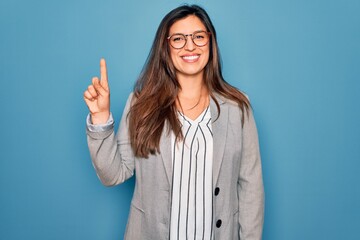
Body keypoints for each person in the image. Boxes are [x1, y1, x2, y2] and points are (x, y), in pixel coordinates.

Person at [84, 4, 264, 240]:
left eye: (199, 36)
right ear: (165, 47)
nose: (190, 46)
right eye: (178, 39)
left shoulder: (238, 107)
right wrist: (100, 119)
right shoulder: (141, 104)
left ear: (211, 42)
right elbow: (113, 174)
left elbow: (251, 187)